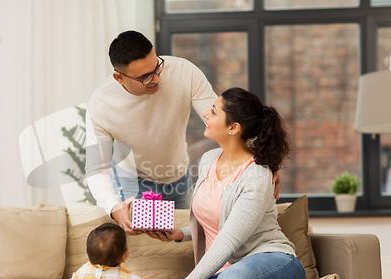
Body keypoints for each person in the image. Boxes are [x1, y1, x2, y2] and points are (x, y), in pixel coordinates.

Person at [85, 30, 283, 235]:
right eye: (145, 77)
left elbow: (226, 122)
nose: (156, 80)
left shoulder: (183, 72)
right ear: (119, 78)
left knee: (186, 238)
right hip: (134, 181)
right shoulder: (101, 105)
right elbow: (96, 168)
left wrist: (264, 160)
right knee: (151, 247)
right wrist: (113, 207)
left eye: (157, 68)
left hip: (178, 176)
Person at [146, 88, 306, 279]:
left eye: (213, 111)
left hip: (275, 262)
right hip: (226, 271)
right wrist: (181, 233)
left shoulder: (257, 176)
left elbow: (228, 239)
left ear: (234, 128)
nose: (206, 116)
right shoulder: (209, 159)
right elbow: (216, 219)